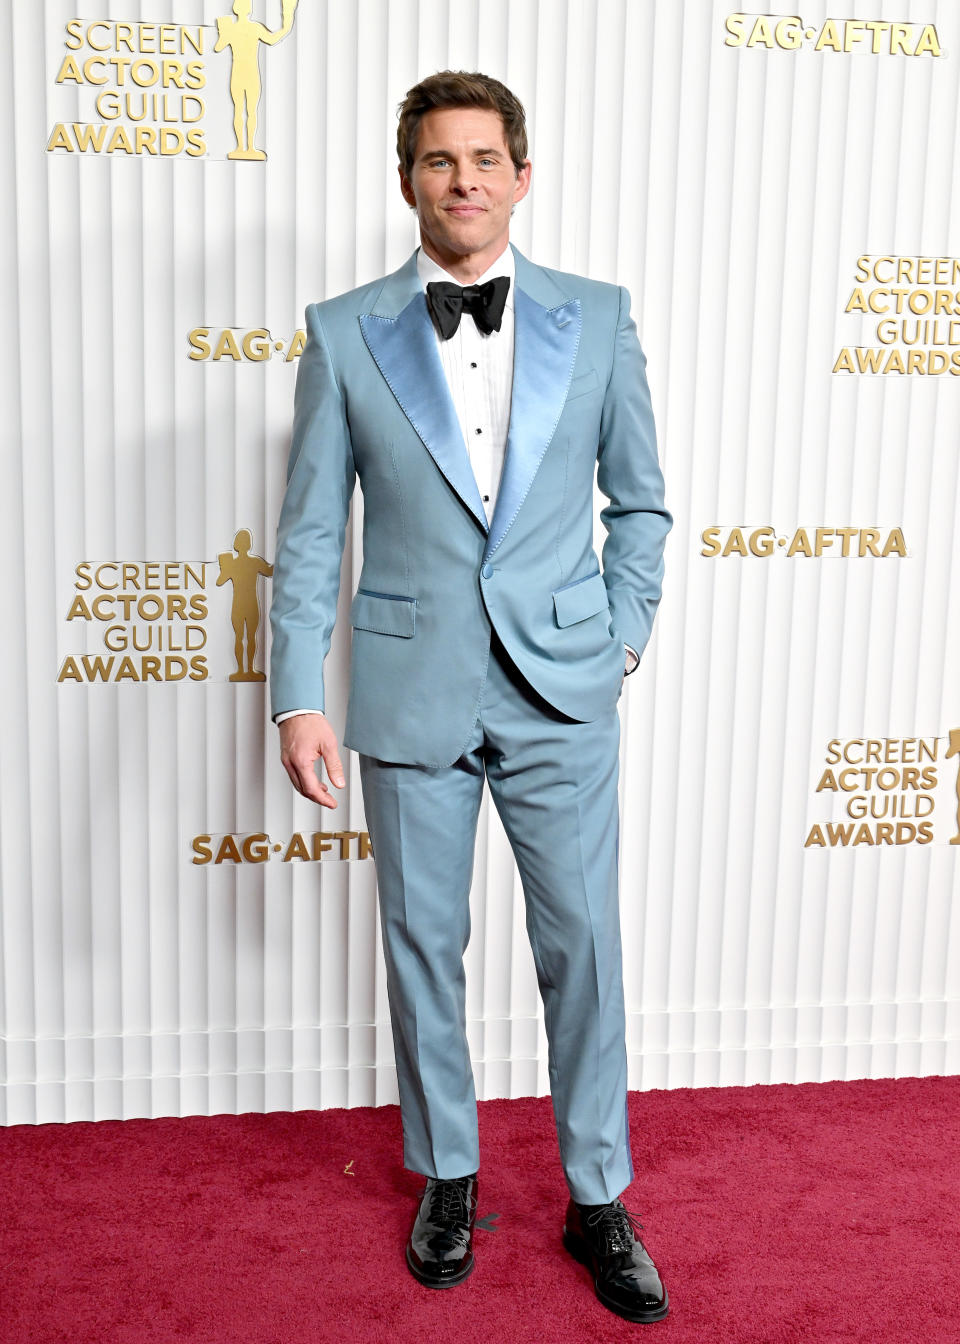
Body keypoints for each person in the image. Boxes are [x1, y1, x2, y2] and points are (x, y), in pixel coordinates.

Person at [268, 70, 672, 1324]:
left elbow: (642, 504)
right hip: (407, 687)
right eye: (441, 161)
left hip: (562, 689)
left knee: (585, 948)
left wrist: (618, 643)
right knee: (419, 949)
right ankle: (448, 1174)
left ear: (523, 175)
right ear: (409, 182)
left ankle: (596, 1194)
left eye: (486, 159)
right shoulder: (342, 333)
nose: (465, 181)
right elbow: (307, 537)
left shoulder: (597, 319)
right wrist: (298, 695)